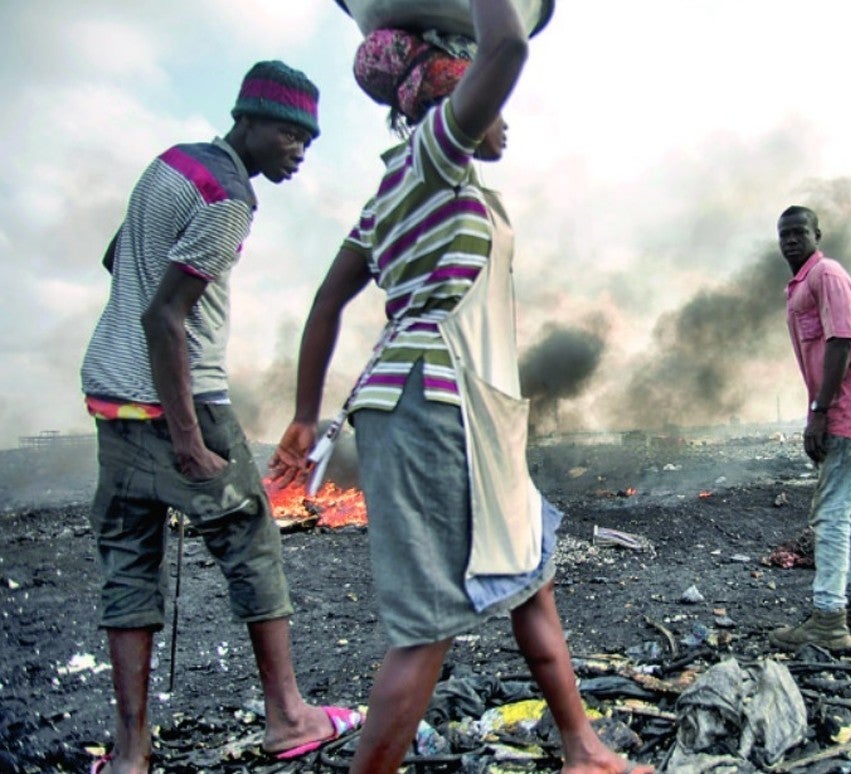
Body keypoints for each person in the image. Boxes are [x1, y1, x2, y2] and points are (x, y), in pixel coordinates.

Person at [268, 2, 652, 772]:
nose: (504, 118)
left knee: (532, 578)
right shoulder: (437, 150)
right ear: (454, 88)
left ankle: (583, 747)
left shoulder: (393, 190)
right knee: (427, 627)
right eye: (489, 101)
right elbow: (508, 44)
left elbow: (326, 303)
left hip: (464, 407)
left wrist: (307, 417)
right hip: (432, 407)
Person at [80, 61, 361, 773]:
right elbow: (165, 316)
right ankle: (288, 715)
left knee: (129, 567)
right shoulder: (230, 195)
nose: (300, 151)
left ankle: (130, 755)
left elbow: (121, 260)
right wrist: (186, 441)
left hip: (109, 393)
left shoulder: (170, 165)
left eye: (310, 139)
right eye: (292, 134)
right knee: (252, 544)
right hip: (182, 404)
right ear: (251, 121)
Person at [768, 206, 851, 653]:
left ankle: (829, 617)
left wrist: (820, 410)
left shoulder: (827, 274)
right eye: (784, 234)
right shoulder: (799, 286)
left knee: (831, 513)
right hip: (844, 406)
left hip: (843, 407)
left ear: (817, 234)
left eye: (800, 232)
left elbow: (841, 340)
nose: (791, 240)